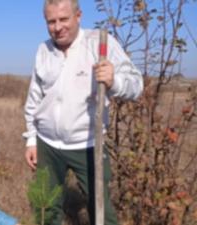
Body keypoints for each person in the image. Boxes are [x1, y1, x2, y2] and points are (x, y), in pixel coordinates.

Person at [23, 0, 143, 224]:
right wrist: (31, 138)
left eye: (63, 19)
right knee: (46, 208)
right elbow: (34, 98)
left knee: (101, 211)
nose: (58, 27)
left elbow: (136, 85)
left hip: (87, 144)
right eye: (51, 21)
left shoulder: (98, 44)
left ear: (78, 16)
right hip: (47, 144)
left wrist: (114, 81)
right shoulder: (44, 50)